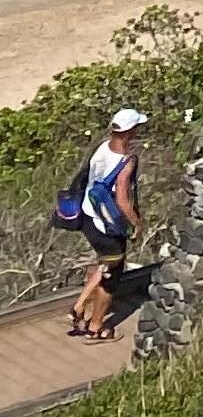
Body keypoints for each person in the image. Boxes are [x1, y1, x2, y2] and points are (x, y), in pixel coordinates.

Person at [70, 106, 145, 340]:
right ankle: (95, 328)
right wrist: (136, 223)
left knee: (106, 264)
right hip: (108, 225)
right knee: (111, 277)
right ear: (130, 131)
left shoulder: (101, 149)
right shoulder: (126, 161)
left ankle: (80, 306)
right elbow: (122, 200)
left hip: (88, 216)